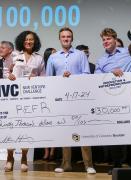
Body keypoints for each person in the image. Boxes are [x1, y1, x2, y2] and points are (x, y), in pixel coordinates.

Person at [46, 27, 96, 174]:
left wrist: (73, 77)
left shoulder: (80, 55)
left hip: (79, 99)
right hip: (61, 101)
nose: (66, 39)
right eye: (63, 37)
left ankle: (88, 164)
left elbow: (87, 75)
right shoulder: (53, 57)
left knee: (83, 131)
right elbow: (49, 79)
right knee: (64, 132)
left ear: (72, 39)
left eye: (68, 36)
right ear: (60, 39)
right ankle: (66, 164)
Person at [95, 28, 131, 175]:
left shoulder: (129, 53)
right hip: (112, 101)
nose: (105, 42)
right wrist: (110, 72)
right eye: (103, 40)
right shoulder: (101, 60)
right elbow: (96, 78)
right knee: (115, 133)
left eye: (108, 39)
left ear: (115, 39)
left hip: (130, 98)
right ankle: (116, 165)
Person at [5, 30, 45, 172]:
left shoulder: (39, 58)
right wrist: (8, 75)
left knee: (27, 128)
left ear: (35, 42)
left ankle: (23, 158)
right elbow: (5, 71)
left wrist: (37, 79)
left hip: (30, 98)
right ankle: (10, 157)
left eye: (31, 40)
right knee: (12, 127)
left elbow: (44, 77)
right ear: (22, 41)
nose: (29, 42)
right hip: (13, 97)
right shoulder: (14, 55)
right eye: (26, 39)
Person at [42, 47, 57, 161]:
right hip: (44, 98)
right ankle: (46, 151)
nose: (56, 55)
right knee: (45, 126)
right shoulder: (43, 66)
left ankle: (53, 151)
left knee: (55, 125)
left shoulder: (57, 65)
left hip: (56, 96)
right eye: (53, 53)